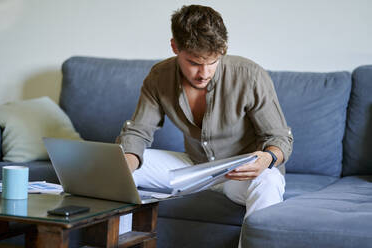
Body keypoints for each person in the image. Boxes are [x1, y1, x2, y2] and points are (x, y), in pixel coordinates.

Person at [117, 4, 293, 246]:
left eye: (212, 62)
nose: (204, 72)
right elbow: (138, 131)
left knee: (269, 182)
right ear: (175, 47)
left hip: (240, 173)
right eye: (194, 63)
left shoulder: (250, 75)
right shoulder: (159, 76)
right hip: (195, 167)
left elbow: (280, 138)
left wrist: (267, 159)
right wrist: (125, 165)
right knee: (118, 168)